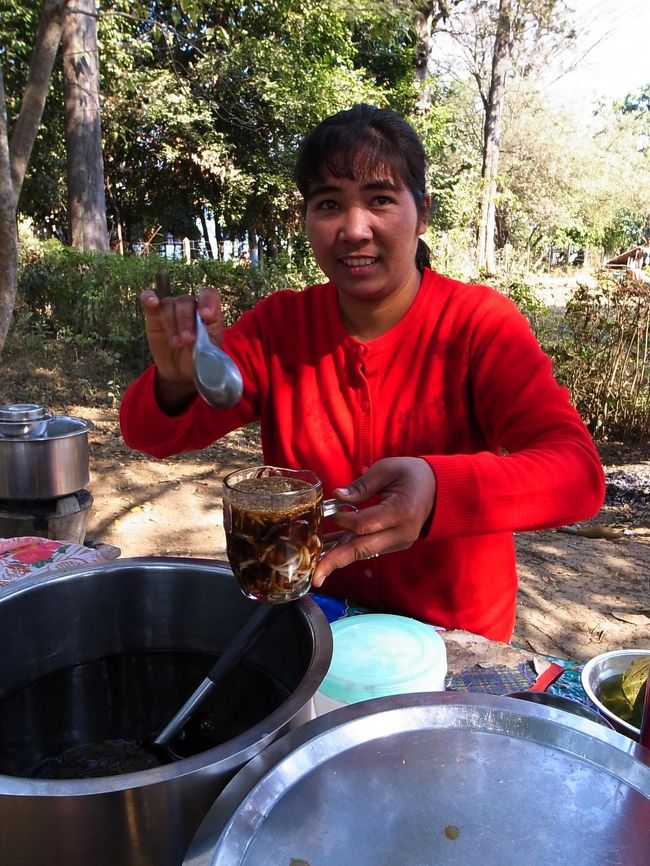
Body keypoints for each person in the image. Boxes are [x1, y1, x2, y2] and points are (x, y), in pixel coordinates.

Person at [120, 103, 605, 643]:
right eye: (329, 203)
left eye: (380, 199)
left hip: (454, 640)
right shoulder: (280, 327)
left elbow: (578, 475)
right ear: (306, 219)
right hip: (318, 620)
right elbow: (149, 435)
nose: (354, 229)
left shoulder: (478, 325)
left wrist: (439, 492)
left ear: (422, 213)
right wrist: (176, 382)